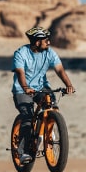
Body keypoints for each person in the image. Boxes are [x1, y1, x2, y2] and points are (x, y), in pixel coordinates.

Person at [11, 26, 76, 163]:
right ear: (36, 42)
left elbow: (60, 70)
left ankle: (47, 130)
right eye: (46, 40)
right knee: (27, 118)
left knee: (52, 107)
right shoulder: (21, 53)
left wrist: (68, 85)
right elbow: (20, 73)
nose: (49, 42)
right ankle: (23, 152)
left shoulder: (50, 53)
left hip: (42, 88)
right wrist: (25, 87)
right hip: (22, 90)